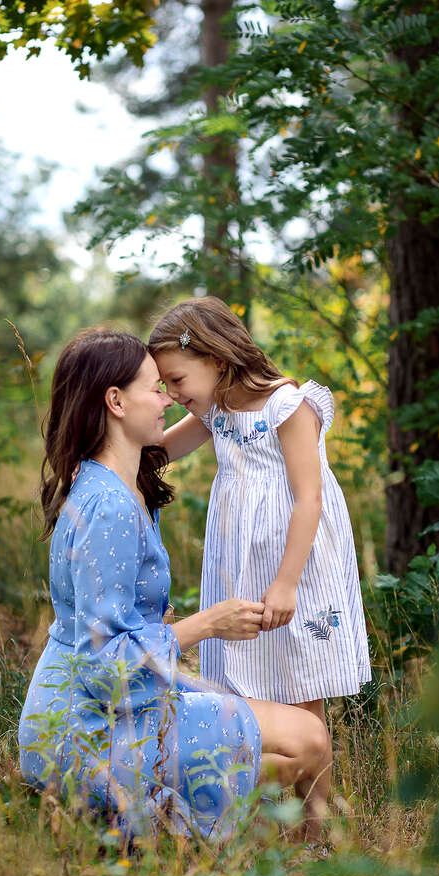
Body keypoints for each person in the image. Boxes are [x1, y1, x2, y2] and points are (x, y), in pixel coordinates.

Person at [18, 328, 329, 840]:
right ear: (116, 402)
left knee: (302, 734)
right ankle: (152, 823)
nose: (167, 399)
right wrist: (206, 624)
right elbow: (105, 664)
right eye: (154, 388)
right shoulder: (109, 507)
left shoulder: (116, 484)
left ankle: (166, 821)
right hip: (87, 731)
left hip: (108, 707)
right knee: (306, 740)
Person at [149, 297, 372, 813]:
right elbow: (158, 451)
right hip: (242, 565)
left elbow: (310, 499)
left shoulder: (288, 406)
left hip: (296, 565)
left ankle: (316, 825)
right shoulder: (214, 411)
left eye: (176, 380)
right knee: (247, 679)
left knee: (301, 686)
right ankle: (261, 816)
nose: (172, 394)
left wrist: (287, 583)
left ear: (216, 359)